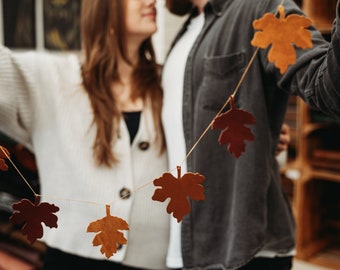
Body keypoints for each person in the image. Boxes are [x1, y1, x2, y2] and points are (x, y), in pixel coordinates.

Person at [161, 0, 340, 269]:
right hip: (185, 249)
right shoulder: (185, 31)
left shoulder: (261, 8)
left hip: (245, 252)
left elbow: (327, 89)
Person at [0, 0, 171, 269]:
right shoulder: (51, 77)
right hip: (72, 259)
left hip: (157, 262)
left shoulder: (171, 81)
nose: (152, 1)